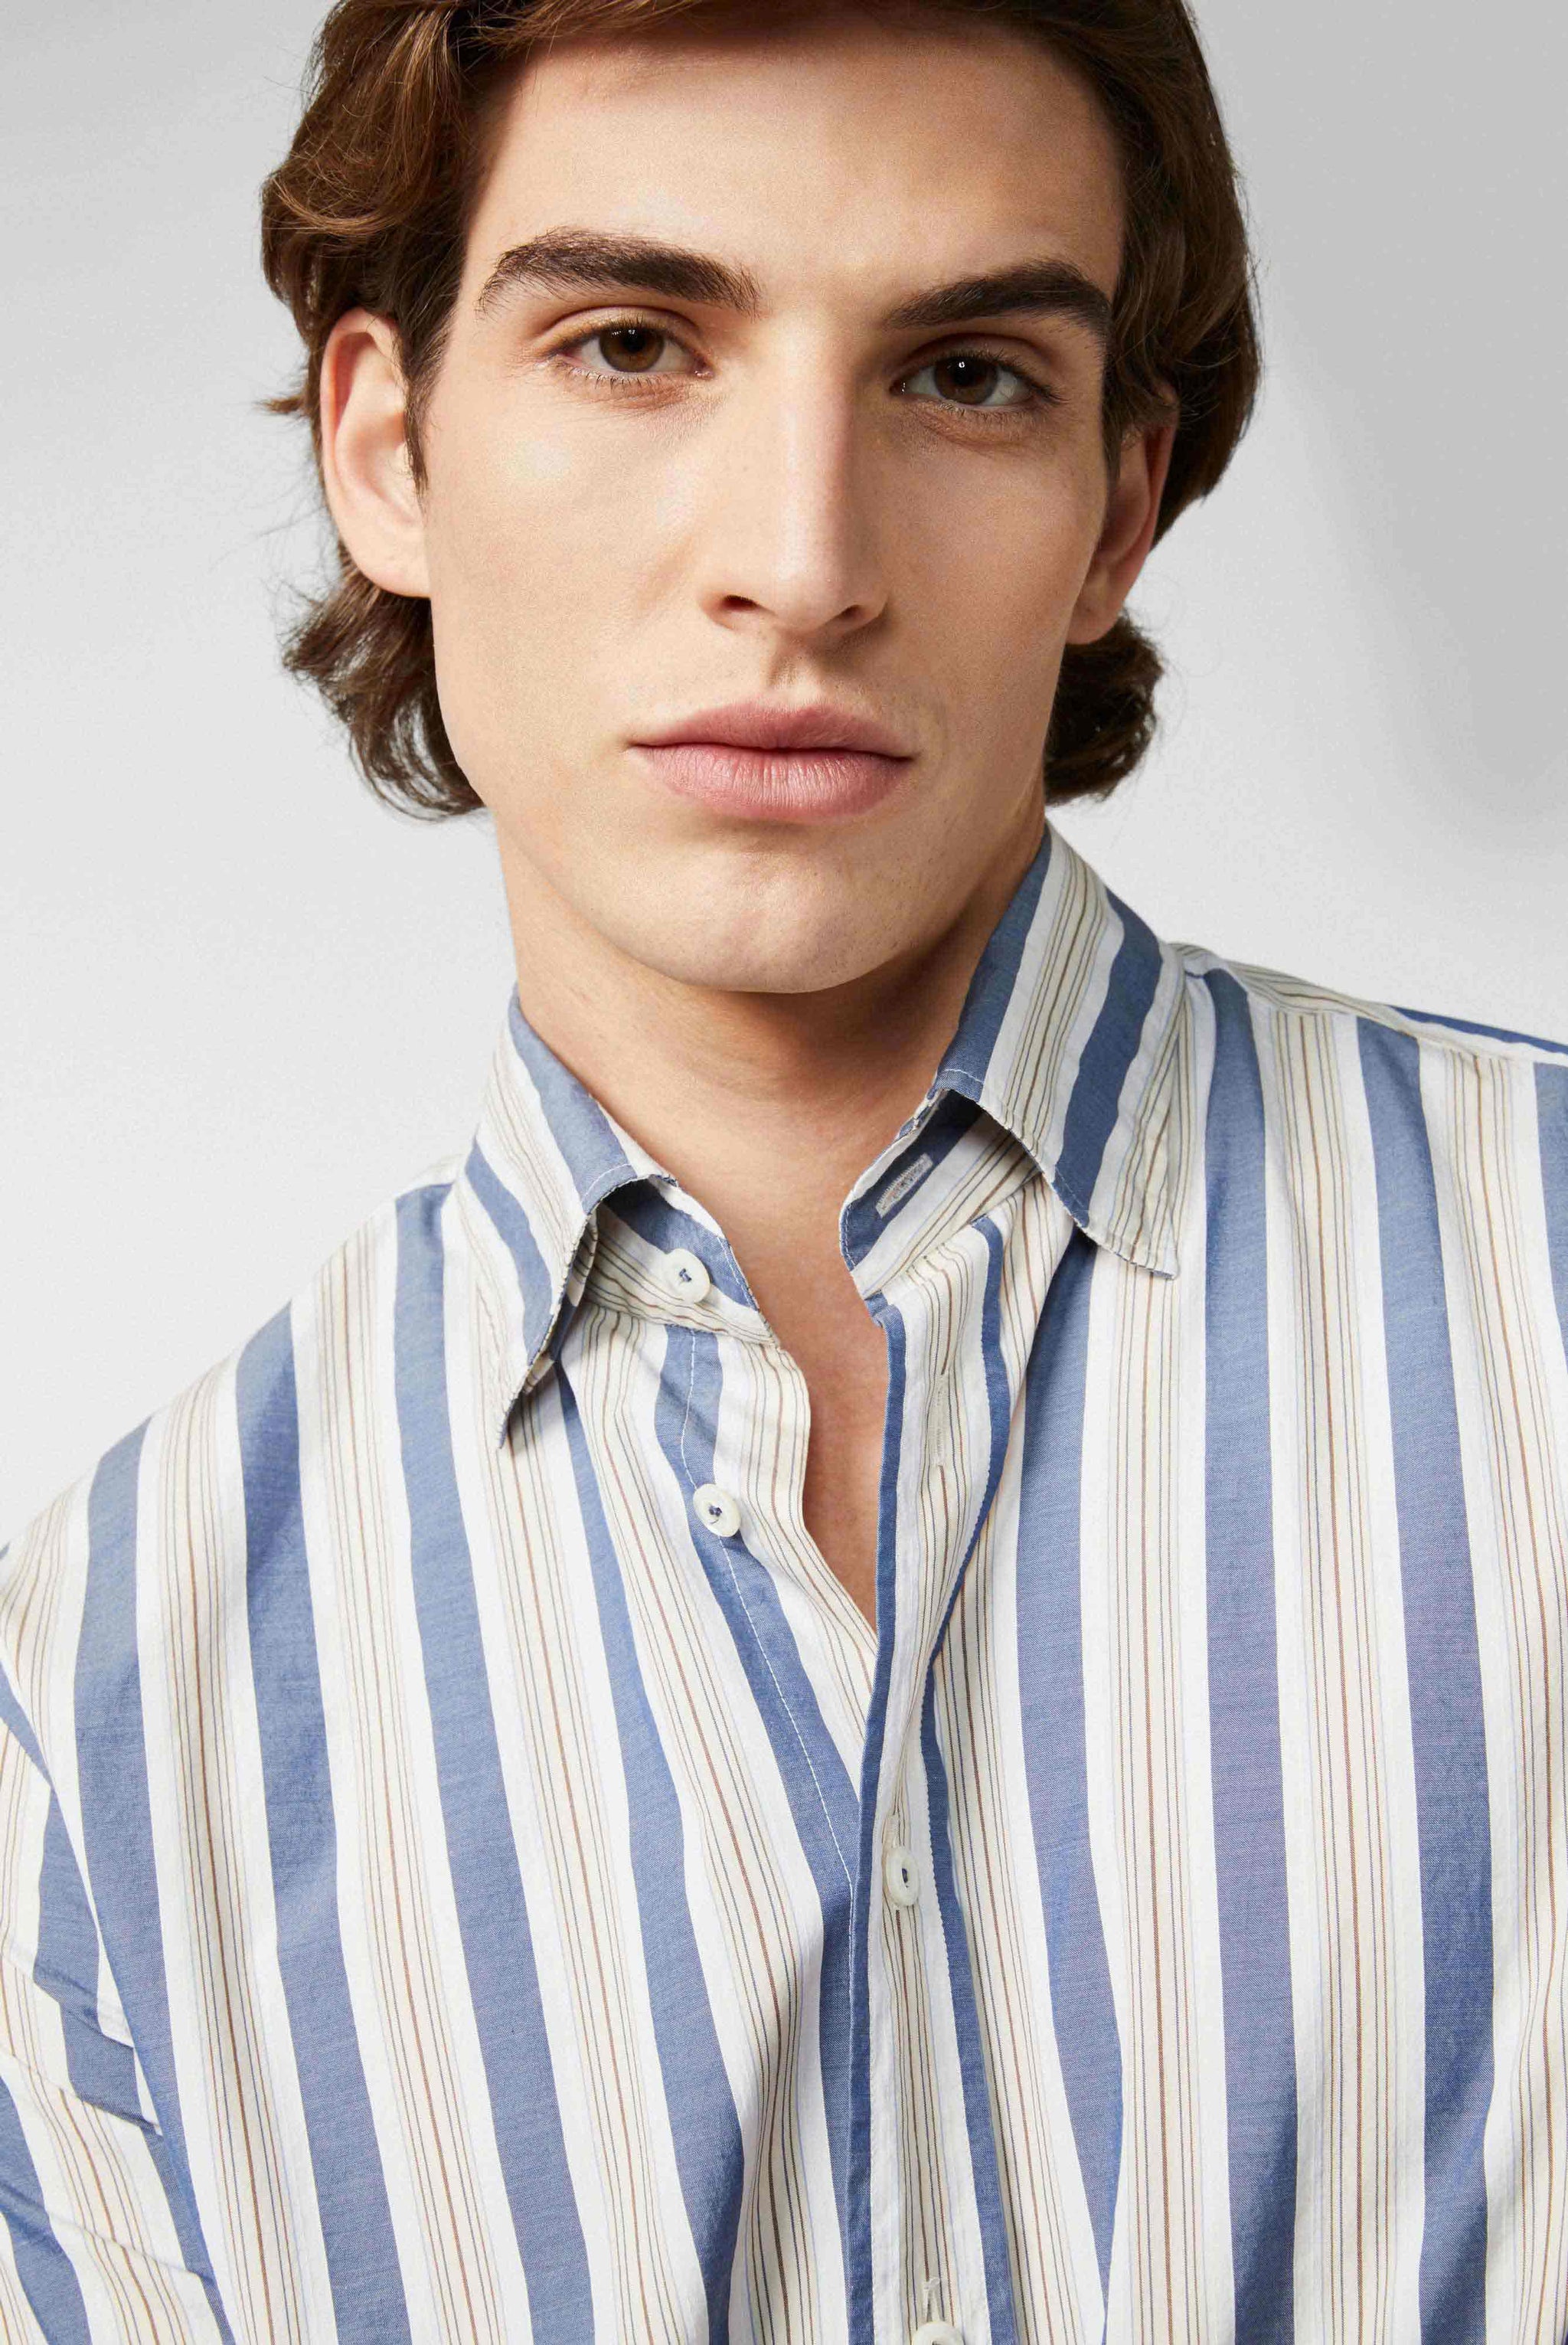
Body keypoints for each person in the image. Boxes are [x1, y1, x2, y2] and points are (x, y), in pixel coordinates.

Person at [2, 0, 1564, 2337]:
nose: (804, 561)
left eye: (967, 377)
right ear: (387, 447)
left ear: (1118, 507)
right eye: (634, 344)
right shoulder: (102, 1708)